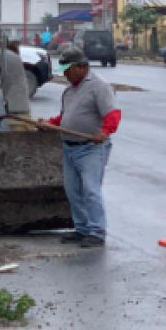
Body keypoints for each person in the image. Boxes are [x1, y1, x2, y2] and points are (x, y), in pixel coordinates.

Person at [41, 47, 121, 248]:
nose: (66, 74)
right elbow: (66, 117)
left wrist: (104, 132)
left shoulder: (99, 86)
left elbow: (113, 113)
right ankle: (82, 228)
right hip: (69, 146)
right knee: (73, 190)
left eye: (69, 70)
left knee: (90, 190)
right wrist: (51, 123)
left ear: (81, 66)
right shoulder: (70, 91)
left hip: (90, 148)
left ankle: (96, 231)